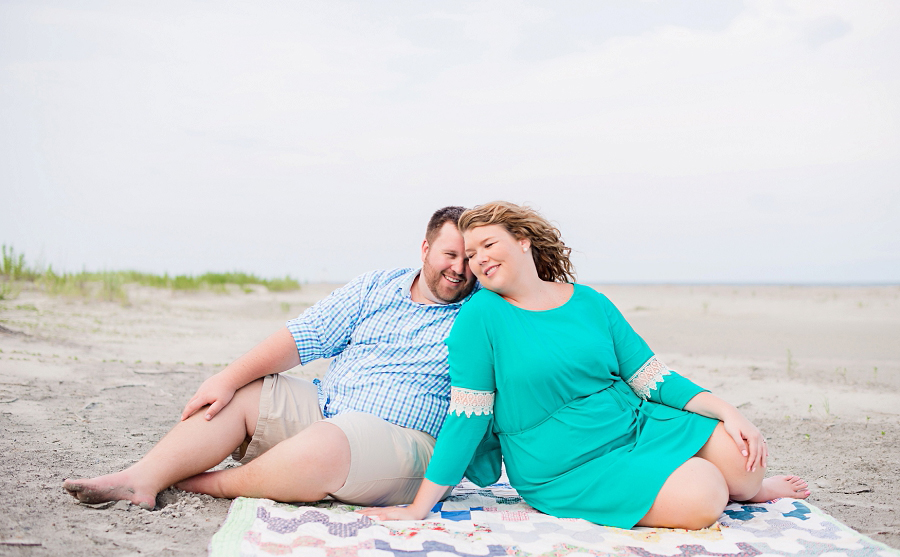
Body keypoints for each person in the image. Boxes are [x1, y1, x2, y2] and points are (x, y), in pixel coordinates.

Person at [360, 201, 809, 530]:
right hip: (561, 462)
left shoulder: (590, 301)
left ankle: (746, 488)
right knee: (707, 493)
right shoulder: (480, 317)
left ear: (523, 241)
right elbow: (467, 416)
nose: (477, 259)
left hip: (632, 425)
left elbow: (652, 378)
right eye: (471, 253)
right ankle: (718, 488)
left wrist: (729, 410)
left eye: (487, 244)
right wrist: (421, 506)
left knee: (745, 461)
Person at [64, 206, 478, 510]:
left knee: (325, 446)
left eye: (469, 259)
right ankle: (141, 479)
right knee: (245, 392)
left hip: (407, 443)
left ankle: (208, 483)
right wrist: (226, 378)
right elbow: (307, 334)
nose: (460, 269)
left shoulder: (481, 310)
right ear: (425, 248)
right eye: (450, 254)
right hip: (330, 409)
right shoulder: (377, 285)